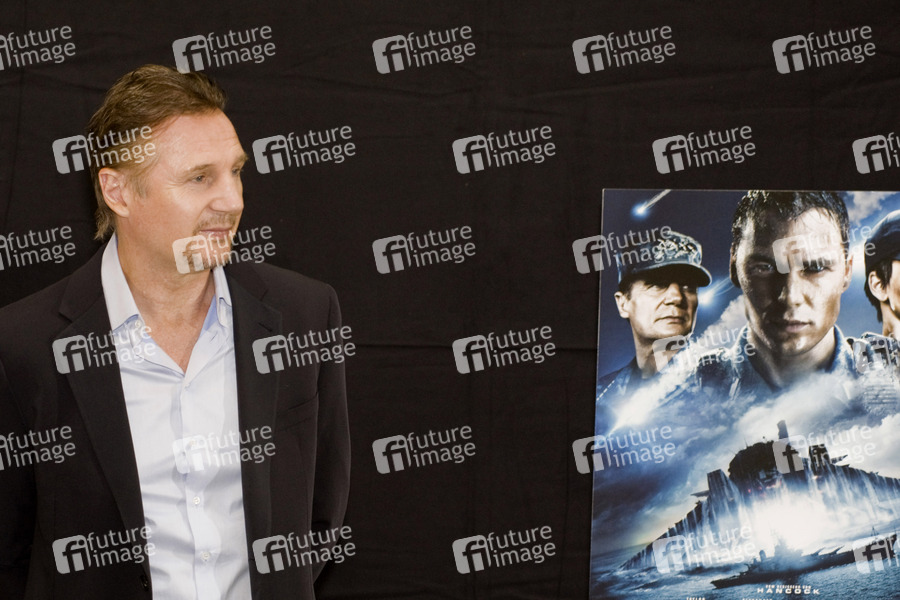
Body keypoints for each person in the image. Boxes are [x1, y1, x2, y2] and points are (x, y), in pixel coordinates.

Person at [0, 65, 350, 599]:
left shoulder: (304, 314)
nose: (232, 200)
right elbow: (10, 548)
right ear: (118, 191)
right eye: (199, 178)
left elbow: (320, 517)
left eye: (236, 171)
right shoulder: (23, 347)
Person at [693, 190, 898, 417]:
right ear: (734, 267)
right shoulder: (691, 390)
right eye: (764, 268)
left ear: (847, 272)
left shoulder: (892, 377)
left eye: (816, 268)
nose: (790, 296)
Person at [595, 230, 711, 425]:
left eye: (688, 286)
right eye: (658, 284)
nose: (677, 297)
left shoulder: (729, 378)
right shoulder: (602, 395)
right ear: (623, 304)